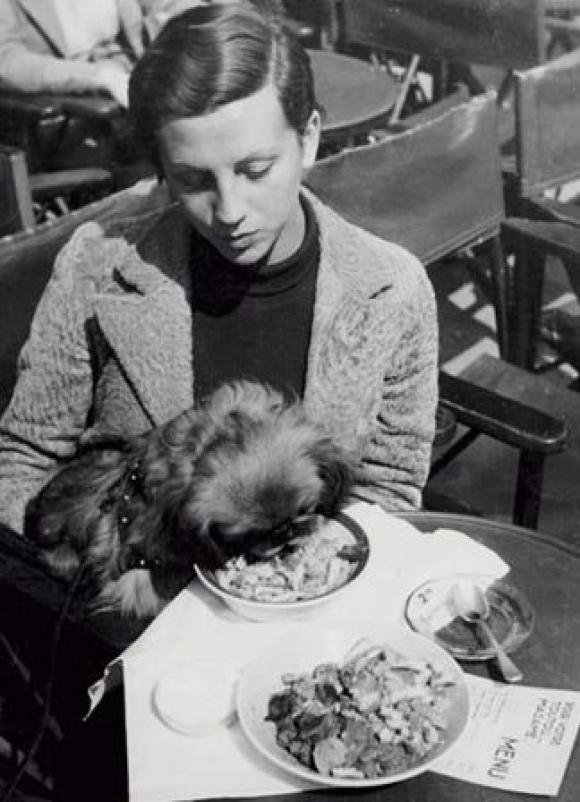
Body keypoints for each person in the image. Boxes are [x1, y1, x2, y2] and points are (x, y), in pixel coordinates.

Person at [0, 0, 438, 536]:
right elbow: (22, 460)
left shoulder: (394, 290)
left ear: (309, 138)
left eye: (255, 169)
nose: (229, 212)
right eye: (193, 180)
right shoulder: (96, 265)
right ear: (161, 169)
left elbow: (389, 492)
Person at [0, 0, 209, 106]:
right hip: (76, 110)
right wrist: (99, 76)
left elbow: (173, 5)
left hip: (150, 79)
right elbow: (7, 59)